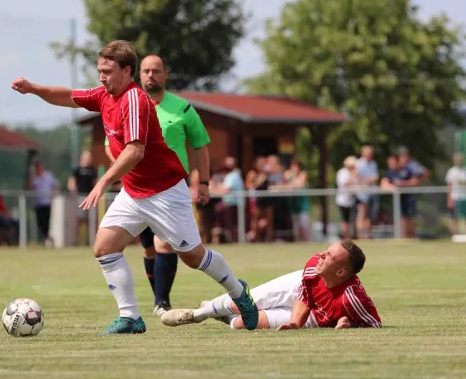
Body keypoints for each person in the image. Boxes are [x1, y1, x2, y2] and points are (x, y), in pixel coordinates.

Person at [11, 40, 258, 335]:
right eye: (99, 71)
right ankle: (130, 317)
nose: (101, 77)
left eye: (107, 71)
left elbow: (135, 151)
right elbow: (67, 96)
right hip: (134, 192)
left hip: (165, 192)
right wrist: (35, 89)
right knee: (104, 248)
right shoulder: (104, 95)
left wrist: (103, 181)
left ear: (127, 71)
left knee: (193, 257)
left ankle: (238, 291)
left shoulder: (134, 100)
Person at [104, 54, 212, 316]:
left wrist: (204, 182)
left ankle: (161, 302)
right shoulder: (127, 104)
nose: (150, 76)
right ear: (138, 74)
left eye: (156, 71)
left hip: (169, 188)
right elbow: (110, 146)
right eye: (146, 71)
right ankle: (158, 299)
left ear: (165, 74)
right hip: (136, 188)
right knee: (149, 249)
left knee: (164, 244)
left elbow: (200, 146)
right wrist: (127, 168)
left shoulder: (183, 109)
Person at [162, 240, 381, 330]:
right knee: (243, 304)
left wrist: (348, 324)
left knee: (241, 324)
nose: (321, 254)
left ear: (342, 272)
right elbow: (304, 295)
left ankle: (222, 312)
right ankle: (199, 313)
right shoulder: (315, 264)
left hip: (317, 316)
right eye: (327, 249)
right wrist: (295, 323)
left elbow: (375, 324)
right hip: (297, 289)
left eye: (330, 255)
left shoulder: (351, 298)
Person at [29, 160, 59, 246]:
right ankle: (48, 238)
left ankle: (47, 239)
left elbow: (56, 185)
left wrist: (54, 194)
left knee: (47, 222)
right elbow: (30, 186)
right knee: (40, 222)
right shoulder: (35, 178)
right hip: (38, 204)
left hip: (47, 203)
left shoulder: (48, 176)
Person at [445, 152, 466, 236]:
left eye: (461, 159)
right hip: (455, 198)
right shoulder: (451, 171)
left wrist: (464, 183)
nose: (459, 161)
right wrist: (449, 199)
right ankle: (453, 236)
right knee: (454, 219)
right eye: (457, 159)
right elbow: (449, 186)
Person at [356, 146, 379, 239]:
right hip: (363, 194)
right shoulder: (359, 164)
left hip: (372, 193)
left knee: (370, 215)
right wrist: (369, 180)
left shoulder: (373, 164)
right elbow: (358, 178)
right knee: (362, 214)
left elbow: (375, 178)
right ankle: (360, 235)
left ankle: (369, 235)